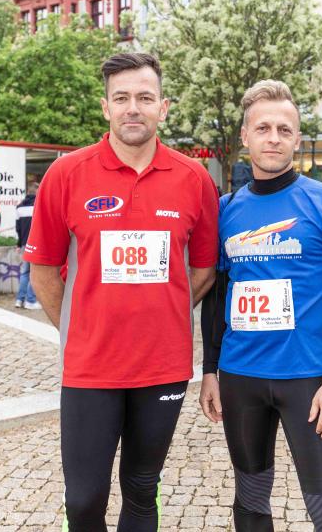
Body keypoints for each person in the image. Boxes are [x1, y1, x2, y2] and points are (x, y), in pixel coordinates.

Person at [25, 53, 219, 531]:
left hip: (162, 367)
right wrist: (82, 325)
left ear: (163, 108)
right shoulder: (66, 174)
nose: (134, 108)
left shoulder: (194, 178)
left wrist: (163, 314)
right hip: (90, 367)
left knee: (141, 489)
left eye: (145, 98)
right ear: (106, 107)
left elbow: (204, 270)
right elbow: (43, 271)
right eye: (122, 98)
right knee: (83, 500)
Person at [200, 80, 322, 532]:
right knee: (251, 499)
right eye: (263, 128)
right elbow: (217, 295)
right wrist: (210, 370)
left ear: (297, 138)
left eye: (284, 130)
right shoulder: (224, 210)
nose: (273, 138)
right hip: (240, 377)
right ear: (245, 136)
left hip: (307, 380)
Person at [14, 182, 40, 310]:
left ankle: (19, 300)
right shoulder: (39, 205)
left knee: (24, 273)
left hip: (25, 244)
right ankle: (30, 300)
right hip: (37, 245)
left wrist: (19, 244)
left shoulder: (19, 208)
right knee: (34, 273)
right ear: (37, 192)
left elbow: (18, 229)